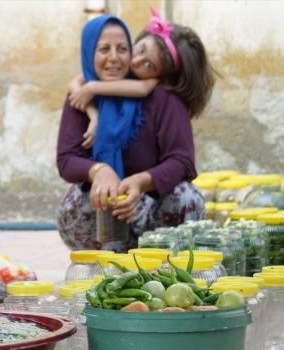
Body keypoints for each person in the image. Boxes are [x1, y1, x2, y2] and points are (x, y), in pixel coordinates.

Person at [56, 14, 209, 252]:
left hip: (151, 214)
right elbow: (66, 159)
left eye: (122, 49)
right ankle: (109, 254)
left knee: (187, 198)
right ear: (89, 53)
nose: (114, 58)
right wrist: (99, 171)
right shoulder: (83, 95)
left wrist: (138, 183)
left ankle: (156, 256)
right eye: (104, 49)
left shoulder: (161, 95)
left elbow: (182, 161)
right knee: (71, 206)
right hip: (103, 210)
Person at [67, 6, 217, 149]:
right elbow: (75, 84)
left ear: (161, 75)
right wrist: (94, 115)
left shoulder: (151, 83)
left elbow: (142, 89)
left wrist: (93, 87)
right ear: (140, 38)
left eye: (148, 65)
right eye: (141, 49)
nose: (135, 60)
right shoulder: (116, 64)